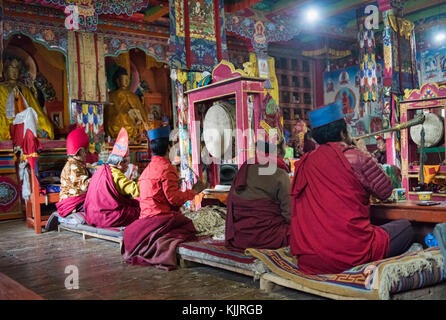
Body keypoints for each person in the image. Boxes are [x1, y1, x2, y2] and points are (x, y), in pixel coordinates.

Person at [290, 101, 413, 275]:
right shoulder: (354, 155)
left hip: (310, 258)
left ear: (315, 136)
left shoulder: (306, 162)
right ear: (342, 132)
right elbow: (385, 191)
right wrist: (363, 152)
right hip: (348, 254)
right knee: (406, 227)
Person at [122, 125, 206, 270]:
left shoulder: (146, 171)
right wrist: (194, 191)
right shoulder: (167, 168)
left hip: (145, 218)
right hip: (161, 218)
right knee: (187, 225)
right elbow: (174, 199)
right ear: (168, 149)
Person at [225, 138, 291, 251]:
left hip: (240, 237)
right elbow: (290, 214)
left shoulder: (245, 167)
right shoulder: (280, 173)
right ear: (279, 150)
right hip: (268, 238)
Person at [84, 127, 140, 228]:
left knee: (132, 203)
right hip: (106, 216)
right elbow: (136, 190)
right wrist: (148, 182)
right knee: (139, 210)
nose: (128, 167)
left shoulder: (101, 169)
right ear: (119, 163)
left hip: (91, 214)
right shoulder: (115, 174)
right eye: (126, 163)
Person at [45, 127, 91, 231]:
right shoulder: (72, 166)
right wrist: (98, 178)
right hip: (71, 201)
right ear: (78, 152)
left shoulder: (77, 164)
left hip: (77, 198)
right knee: (96, 204)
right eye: (84, 151)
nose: (86, 154)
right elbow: (83, 185)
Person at [0, 57, 54, 140]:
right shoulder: (1, 88)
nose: (14, 71)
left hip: (26, 119)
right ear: (6, 70)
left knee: (46, 127)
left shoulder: (24, 88)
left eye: (17, 69)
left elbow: (34, 108)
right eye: (11, 68)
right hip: (7, 120)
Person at [105, 67, 148, 143]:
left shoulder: (132, 95)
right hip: (115, 129)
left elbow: (140, 112)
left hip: (127, 129)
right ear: (117, 81)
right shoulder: (110, 95)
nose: (126, 81)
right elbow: (106, 113)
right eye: (123, 79)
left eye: (127, 79)